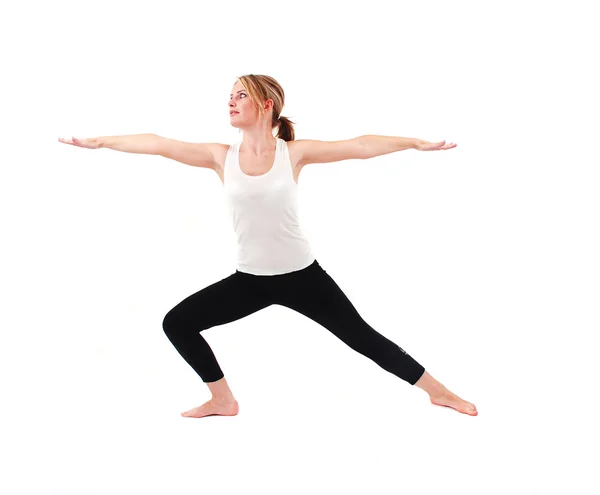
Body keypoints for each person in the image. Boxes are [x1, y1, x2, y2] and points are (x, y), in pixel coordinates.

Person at [58, 74, 478, 418]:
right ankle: (223, 399)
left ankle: (438, 391)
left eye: (240, 95)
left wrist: (414, 143)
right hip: (250, 281)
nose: (231, 101)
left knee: (363, 338)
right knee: (178, 322)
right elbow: (156, 142)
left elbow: (361, 145)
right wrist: (100, 142)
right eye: (229, 95)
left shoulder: (293, 154)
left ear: (266, 104)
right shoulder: (219, 155)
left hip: (303, 278)